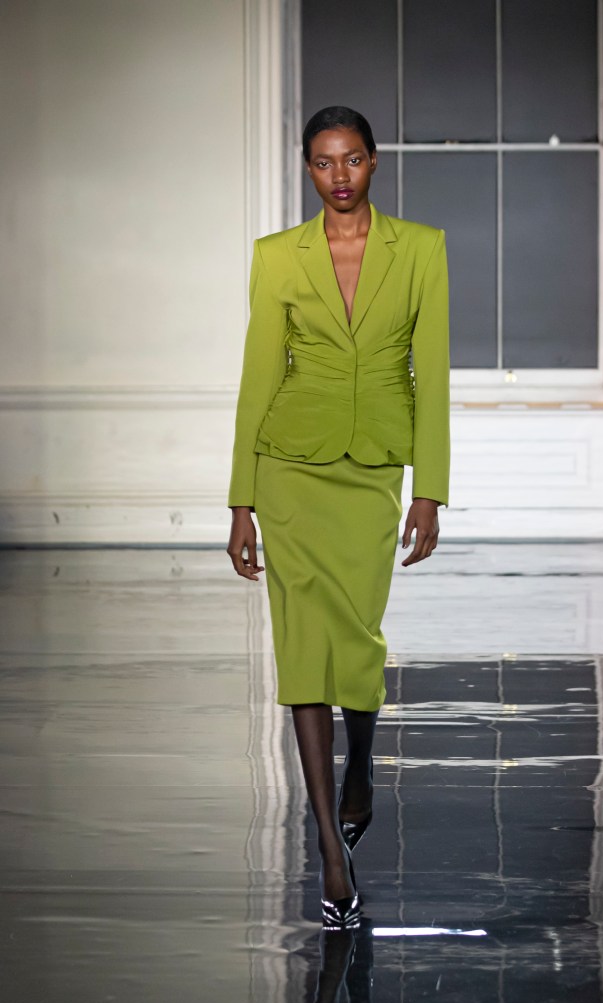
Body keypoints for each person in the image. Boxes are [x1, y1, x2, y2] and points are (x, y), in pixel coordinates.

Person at [227, 106, 450, 928]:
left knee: (357, 636)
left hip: (373, 468)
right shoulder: (276, 256)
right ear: (307, 169)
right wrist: (242, 499)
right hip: (290, 467)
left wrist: (431, 488)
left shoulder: (420, 249)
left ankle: (361, 762)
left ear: (374, 162)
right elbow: (258, 375)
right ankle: (328, 842)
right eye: (324, 163)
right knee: (303, 647)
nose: (339, 176)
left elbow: (433, 370)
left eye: (352, 159)